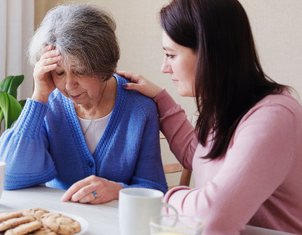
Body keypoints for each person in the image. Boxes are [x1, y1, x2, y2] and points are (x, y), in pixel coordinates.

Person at [119, 0, 302, 234]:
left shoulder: (274, 117)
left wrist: (163, 197)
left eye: (170, 55)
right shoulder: (227, 107)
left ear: (209, 53)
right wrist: (160, 98)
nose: (164, 67)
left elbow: (212, 216)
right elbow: (197, 156)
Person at [0, 3, 168, 205]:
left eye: (80, 71)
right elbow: (8, 177)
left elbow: (155, 189)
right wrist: (39, 96)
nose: (69, 85)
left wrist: (118, 190)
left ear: (103, 65)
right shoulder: (48, 104)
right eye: (59, 73)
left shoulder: (140, 109)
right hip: (58, 221)